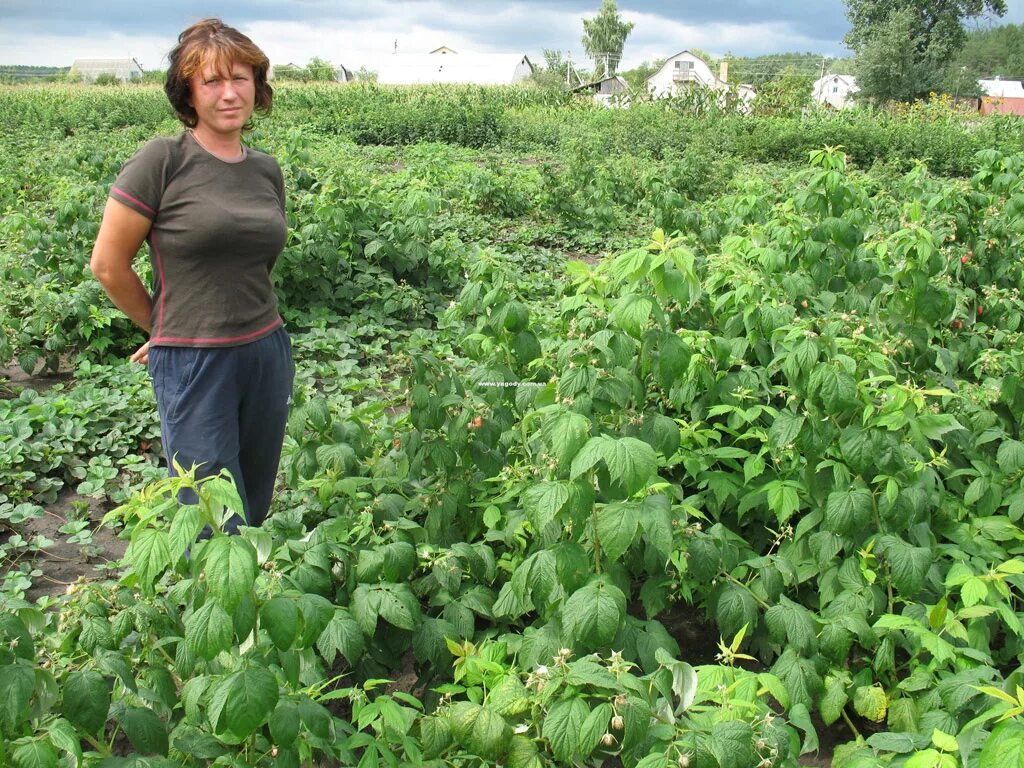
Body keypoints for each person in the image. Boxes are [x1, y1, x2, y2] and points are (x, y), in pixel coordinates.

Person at [90, 18, 293, 532]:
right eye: (213, 82)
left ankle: (251, 604)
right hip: (195, 362)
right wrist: (161, 327)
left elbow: (255, 262)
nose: (229, 94)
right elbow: (108, 265)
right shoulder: (163, 159)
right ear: (189, 92)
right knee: (209, 516)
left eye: (241, 79)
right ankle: (209, 605)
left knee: (254, 500)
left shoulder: (265, 169)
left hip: (265, 351)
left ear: (258, 85)